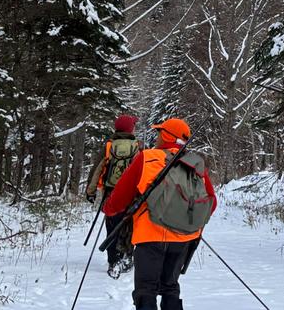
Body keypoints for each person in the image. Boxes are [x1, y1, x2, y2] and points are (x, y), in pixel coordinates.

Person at [103, 118, 217, 310]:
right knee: (170, 288)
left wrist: (109, 208)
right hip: (184, 239)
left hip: (150, 237)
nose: (156, 137)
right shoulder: (195, 164)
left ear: (166, 136)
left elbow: (120, 197)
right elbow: (211, 202)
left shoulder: (147, 157)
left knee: (145, 290)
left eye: (159, 133)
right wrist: (184, 220)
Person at [85, 114, 140, 276]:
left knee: (112, 227)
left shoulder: (109, 146)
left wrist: (91, 191)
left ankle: (113, 260)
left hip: (111, 194)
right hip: (131, 196)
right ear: (130, 129)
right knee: (129, 227)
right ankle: (127, 257)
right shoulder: (137, 147)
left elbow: (97, 170)